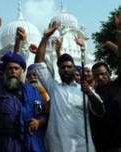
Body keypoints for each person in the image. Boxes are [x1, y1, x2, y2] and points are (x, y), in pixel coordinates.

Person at [34, 21, 104, 152]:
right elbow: (38, 63)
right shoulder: (54, 88)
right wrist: (45, 37)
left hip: (83, 146)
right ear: (59, 70)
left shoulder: (84, 89)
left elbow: (100, 110)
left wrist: (89, 93)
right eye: (62, 67)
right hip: (57, 146)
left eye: (69, 67)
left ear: (74, 69)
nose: (66, 69)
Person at [0, 10, 46, 152]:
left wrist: (39, 122)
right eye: (9, 69)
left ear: (22, 72)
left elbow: (44, 115)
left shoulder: (32, 92)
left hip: (24, 143)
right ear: (4, 72)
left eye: (16, 69)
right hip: (0, 144)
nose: (13, 71)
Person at [89, 12, 121, 151]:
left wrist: (119, 30)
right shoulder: (93, 94)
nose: (101, 77)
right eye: (97, 76)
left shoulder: (118, 85)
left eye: (103, 74)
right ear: (93, 77)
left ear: (108, 73)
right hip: (101, 146)